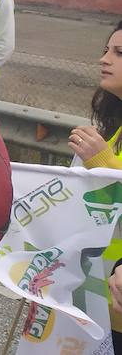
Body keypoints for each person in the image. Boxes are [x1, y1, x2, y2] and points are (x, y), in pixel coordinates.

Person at [75, 22, 122, 350]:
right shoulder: (117, 131)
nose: (104, 60)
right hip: (102, 298)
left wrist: (102, 161)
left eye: (119, 53)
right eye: (106, 50)